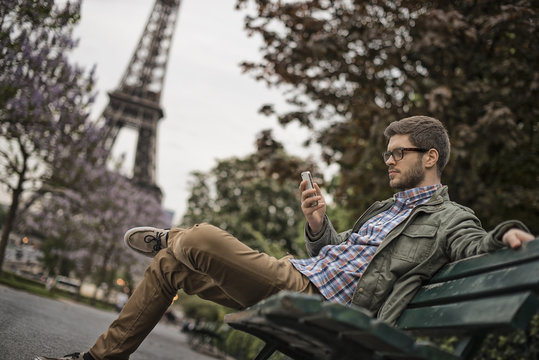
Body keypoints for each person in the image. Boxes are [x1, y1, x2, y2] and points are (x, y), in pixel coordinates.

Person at [36, 116, 535, 360]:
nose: (388, 160)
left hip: (313, 297)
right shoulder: (384, 210)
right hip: (299, 273)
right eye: (387, 152)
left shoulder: (450, 218)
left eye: (397, 153)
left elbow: (475, 242)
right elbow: (340, 255)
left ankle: (175, 235)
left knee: (202, 238)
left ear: (430, 157)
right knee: (172, 267)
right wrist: (319, 225)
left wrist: (508, 231)